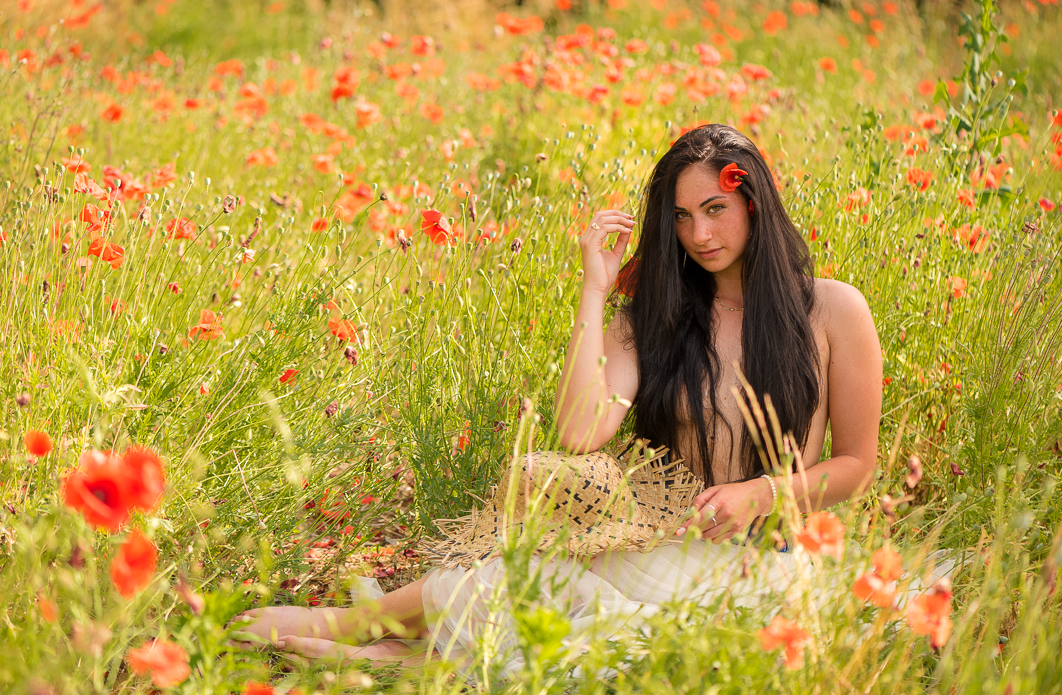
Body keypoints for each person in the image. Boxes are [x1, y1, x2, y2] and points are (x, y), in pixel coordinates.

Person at [234, 123, 883, 668]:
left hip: (770, 564)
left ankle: (394, 653)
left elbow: (856, 463)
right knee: (531, 580)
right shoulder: (658, 319)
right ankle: (357, 628)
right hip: (663, 544)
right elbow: (579, 431)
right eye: (682, 217)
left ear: (753, 204)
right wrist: (596, 289)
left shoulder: (831, 310)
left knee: (610, 629)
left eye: (715, 209)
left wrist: (761, 492)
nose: (699, 234)